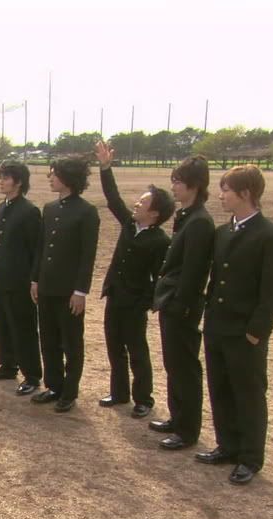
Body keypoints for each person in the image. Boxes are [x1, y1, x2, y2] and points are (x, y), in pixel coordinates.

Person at [198, 165, 273, 485]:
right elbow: (216, 280)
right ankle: (227, 446)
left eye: (226, 190)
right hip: (217, 327)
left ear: (246, 193)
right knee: (220, 389)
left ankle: (250, 458)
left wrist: (255, 332)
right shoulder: (223, 232)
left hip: (244, 332)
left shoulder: (272, 236)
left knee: (248, 394)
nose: (220, 195)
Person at [94, 142, 173, 418]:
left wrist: (146, 302)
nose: (137, 204)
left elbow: (160, 277)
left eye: (143, 202)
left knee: (137, 351)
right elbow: (113, 198)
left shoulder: (160, 240)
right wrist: (106, 167)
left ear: (155, 213)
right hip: (115, 296)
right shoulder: (129, 224)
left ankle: (143, 399)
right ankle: (119, 393)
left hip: (135, 303)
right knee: (114, 347)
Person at [148, 156, 215, 450]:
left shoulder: (199, 222)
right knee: (173, 364)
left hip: (181, 305)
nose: (173, 186)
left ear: (194, 185)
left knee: (184, 367)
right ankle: (177, 418)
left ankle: (187, 430)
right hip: (172, 301)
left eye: (178, 181)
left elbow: (194, 270)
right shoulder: (187, 216)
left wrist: (180, 305)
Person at [30, 156, 99, 413]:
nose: (50, 178)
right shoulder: (49, 208)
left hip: (70, 291)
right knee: (48, 340)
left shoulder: (87, 212)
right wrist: (35, 279)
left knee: (71, 343)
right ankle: (54, 386)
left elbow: (87, 256)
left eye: (54, 174)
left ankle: (69, 392)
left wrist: (80, 291)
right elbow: (41, 248)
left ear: (68, 178)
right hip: (47, 286)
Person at [0, 160, 43, 395]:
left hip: (20, 281)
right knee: (2, 324)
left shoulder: (29, 211)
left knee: (23, 328)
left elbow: (35, 249)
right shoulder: (1, 208)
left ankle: (32, 375)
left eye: (6, 178)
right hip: (0, 277)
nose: (1, 182)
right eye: (1, 177)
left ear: (18, 182)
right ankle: (8, 365)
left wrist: (33, 279)